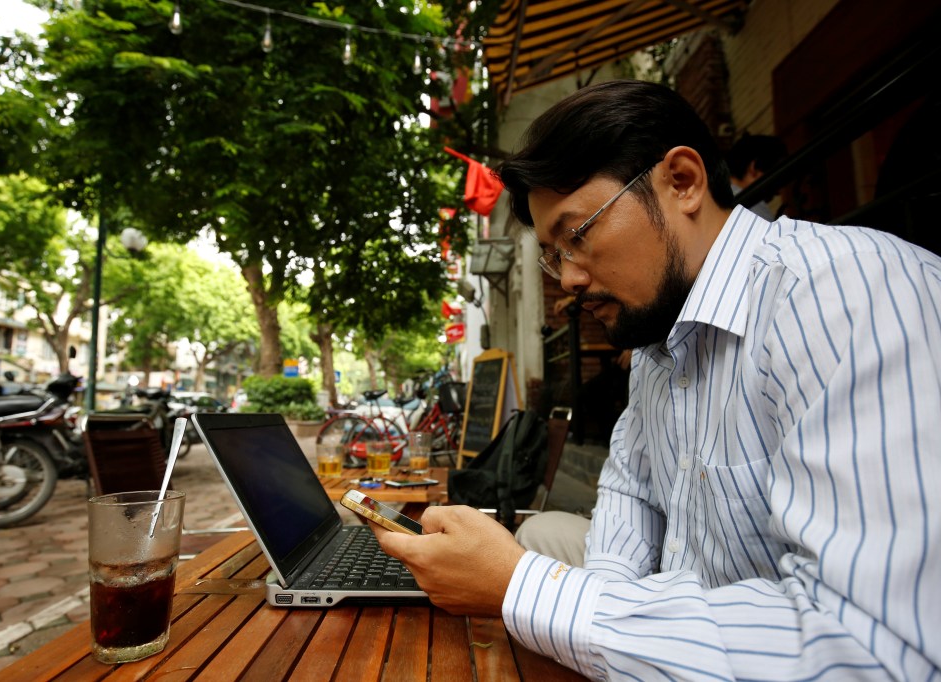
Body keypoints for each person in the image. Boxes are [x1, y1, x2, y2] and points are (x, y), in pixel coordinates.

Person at [371, 80, 940, 679]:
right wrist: (577, 614)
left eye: (577, 234)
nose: (567, 278)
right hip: (698, 603)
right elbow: (629, 496)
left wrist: (522, 589)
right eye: (552, 252)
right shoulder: (657, 340)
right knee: (540, 533)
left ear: (683, 182)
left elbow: (869, 649)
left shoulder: (846, 292)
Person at [725, 132, 786, 220]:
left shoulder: (713, 199)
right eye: (778, 179)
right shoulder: (753, 207)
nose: (778, 192)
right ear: (755, 167)